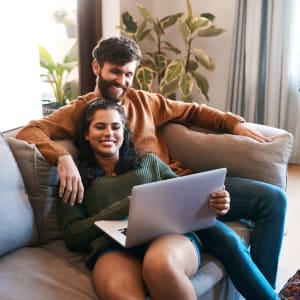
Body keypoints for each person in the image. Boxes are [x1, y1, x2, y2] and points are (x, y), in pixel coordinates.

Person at [17, 36, 287, 289]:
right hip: (147, 210)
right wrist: (62, 157)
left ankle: (268, 290)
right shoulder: (81, 111)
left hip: (182, 186)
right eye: (115, 71)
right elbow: (30, 131)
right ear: (97, 67)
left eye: (128, 74)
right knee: (225, 240)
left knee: (273, 199)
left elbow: (192, 112)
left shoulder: (146, 101)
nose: (122, 81)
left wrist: (233, 124)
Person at [57, 98, 278, 299]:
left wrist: (216, 203)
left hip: (167, 237)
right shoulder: (75, 178)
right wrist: (126, 206)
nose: (109, 133)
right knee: (121, 294)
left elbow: (187, 198)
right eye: (99, 127)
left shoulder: (149, 162)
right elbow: (73, 235)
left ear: (124, 132)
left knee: (161, 266)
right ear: (86, 133)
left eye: (116, 127)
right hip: (112, 248)